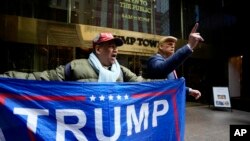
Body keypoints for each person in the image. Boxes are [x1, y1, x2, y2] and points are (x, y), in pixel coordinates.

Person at [0, 33, 147, 82]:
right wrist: (5, 78)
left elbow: (145, 84)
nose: (115, 50)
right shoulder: (76, 67)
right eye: (111, 46)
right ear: (98, 49)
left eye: (116, 47)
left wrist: (169, 86)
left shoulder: (121, 71)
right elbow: (40, 78)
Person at [146, 23, 204, 100]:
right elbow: (161, 69)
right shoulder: (154, 59)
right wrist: (189, 46)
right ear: (160, 47)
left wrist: (189, 90)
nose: (173, 46)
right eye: (169, 44)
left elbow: (172, 84)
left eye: (174, 45)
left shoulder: (168, 63)